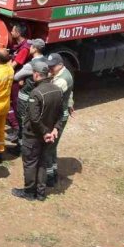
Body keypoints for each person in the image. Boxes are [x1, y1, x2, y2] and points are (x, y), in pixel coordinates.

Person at [12, 59, 64, 202]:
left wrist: (45, 132)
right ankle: (41, 193)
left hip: (34, 135)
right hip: (48, 135)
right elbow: (61, 113)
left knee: (30, 163)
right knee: (42, 163)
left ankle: (29, 192)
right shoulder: (57, 89)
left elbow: (34, 119)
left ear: (36, 74)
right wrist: (55, 130)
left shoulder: (36, 92)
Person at [46, 53, 74, 187]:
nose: (50, 69)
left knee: (48, 147)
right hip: (59, 115)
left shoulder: (62, 80)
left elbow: (50, 96)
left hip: (57, 117)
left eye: (52, 67)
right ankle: (53, 172)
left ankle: (50, 177)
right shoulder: (63, 73)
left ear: (60, 65)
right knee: (53, 146)